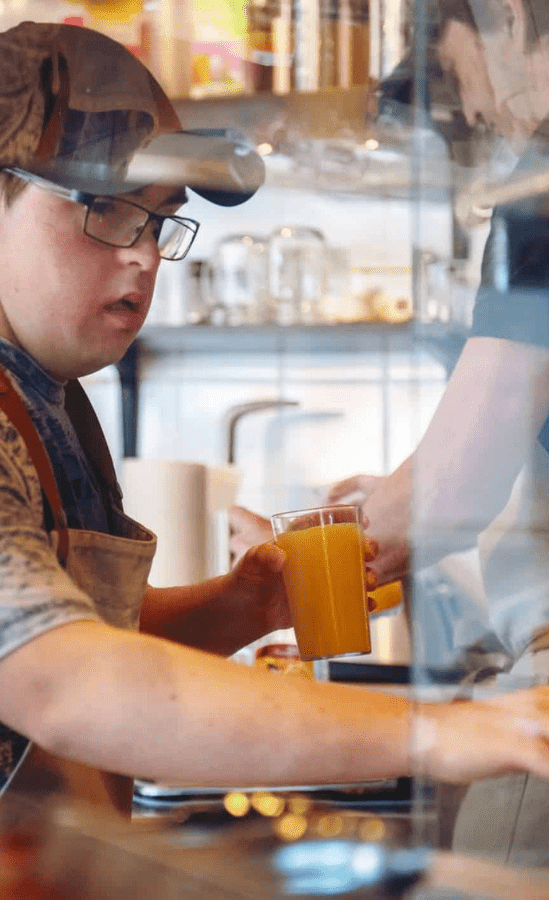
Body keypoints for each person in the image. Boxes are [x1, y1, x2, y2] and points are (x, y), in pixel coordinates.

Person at [0, 20, 549, 822]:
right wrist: (434, 730)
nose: (144, 253)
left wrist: (249, 602)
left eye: (159, 215)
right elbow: (66, 685)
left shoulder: (41, 397)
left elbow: (63, 626)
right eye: (105, 209)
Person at [232, 0, 549, 865]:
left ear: (511, 19)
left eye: (456, 72)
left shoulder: (543, 185)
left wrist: (303, 553)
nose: (474, 115)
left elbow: (454, 491)